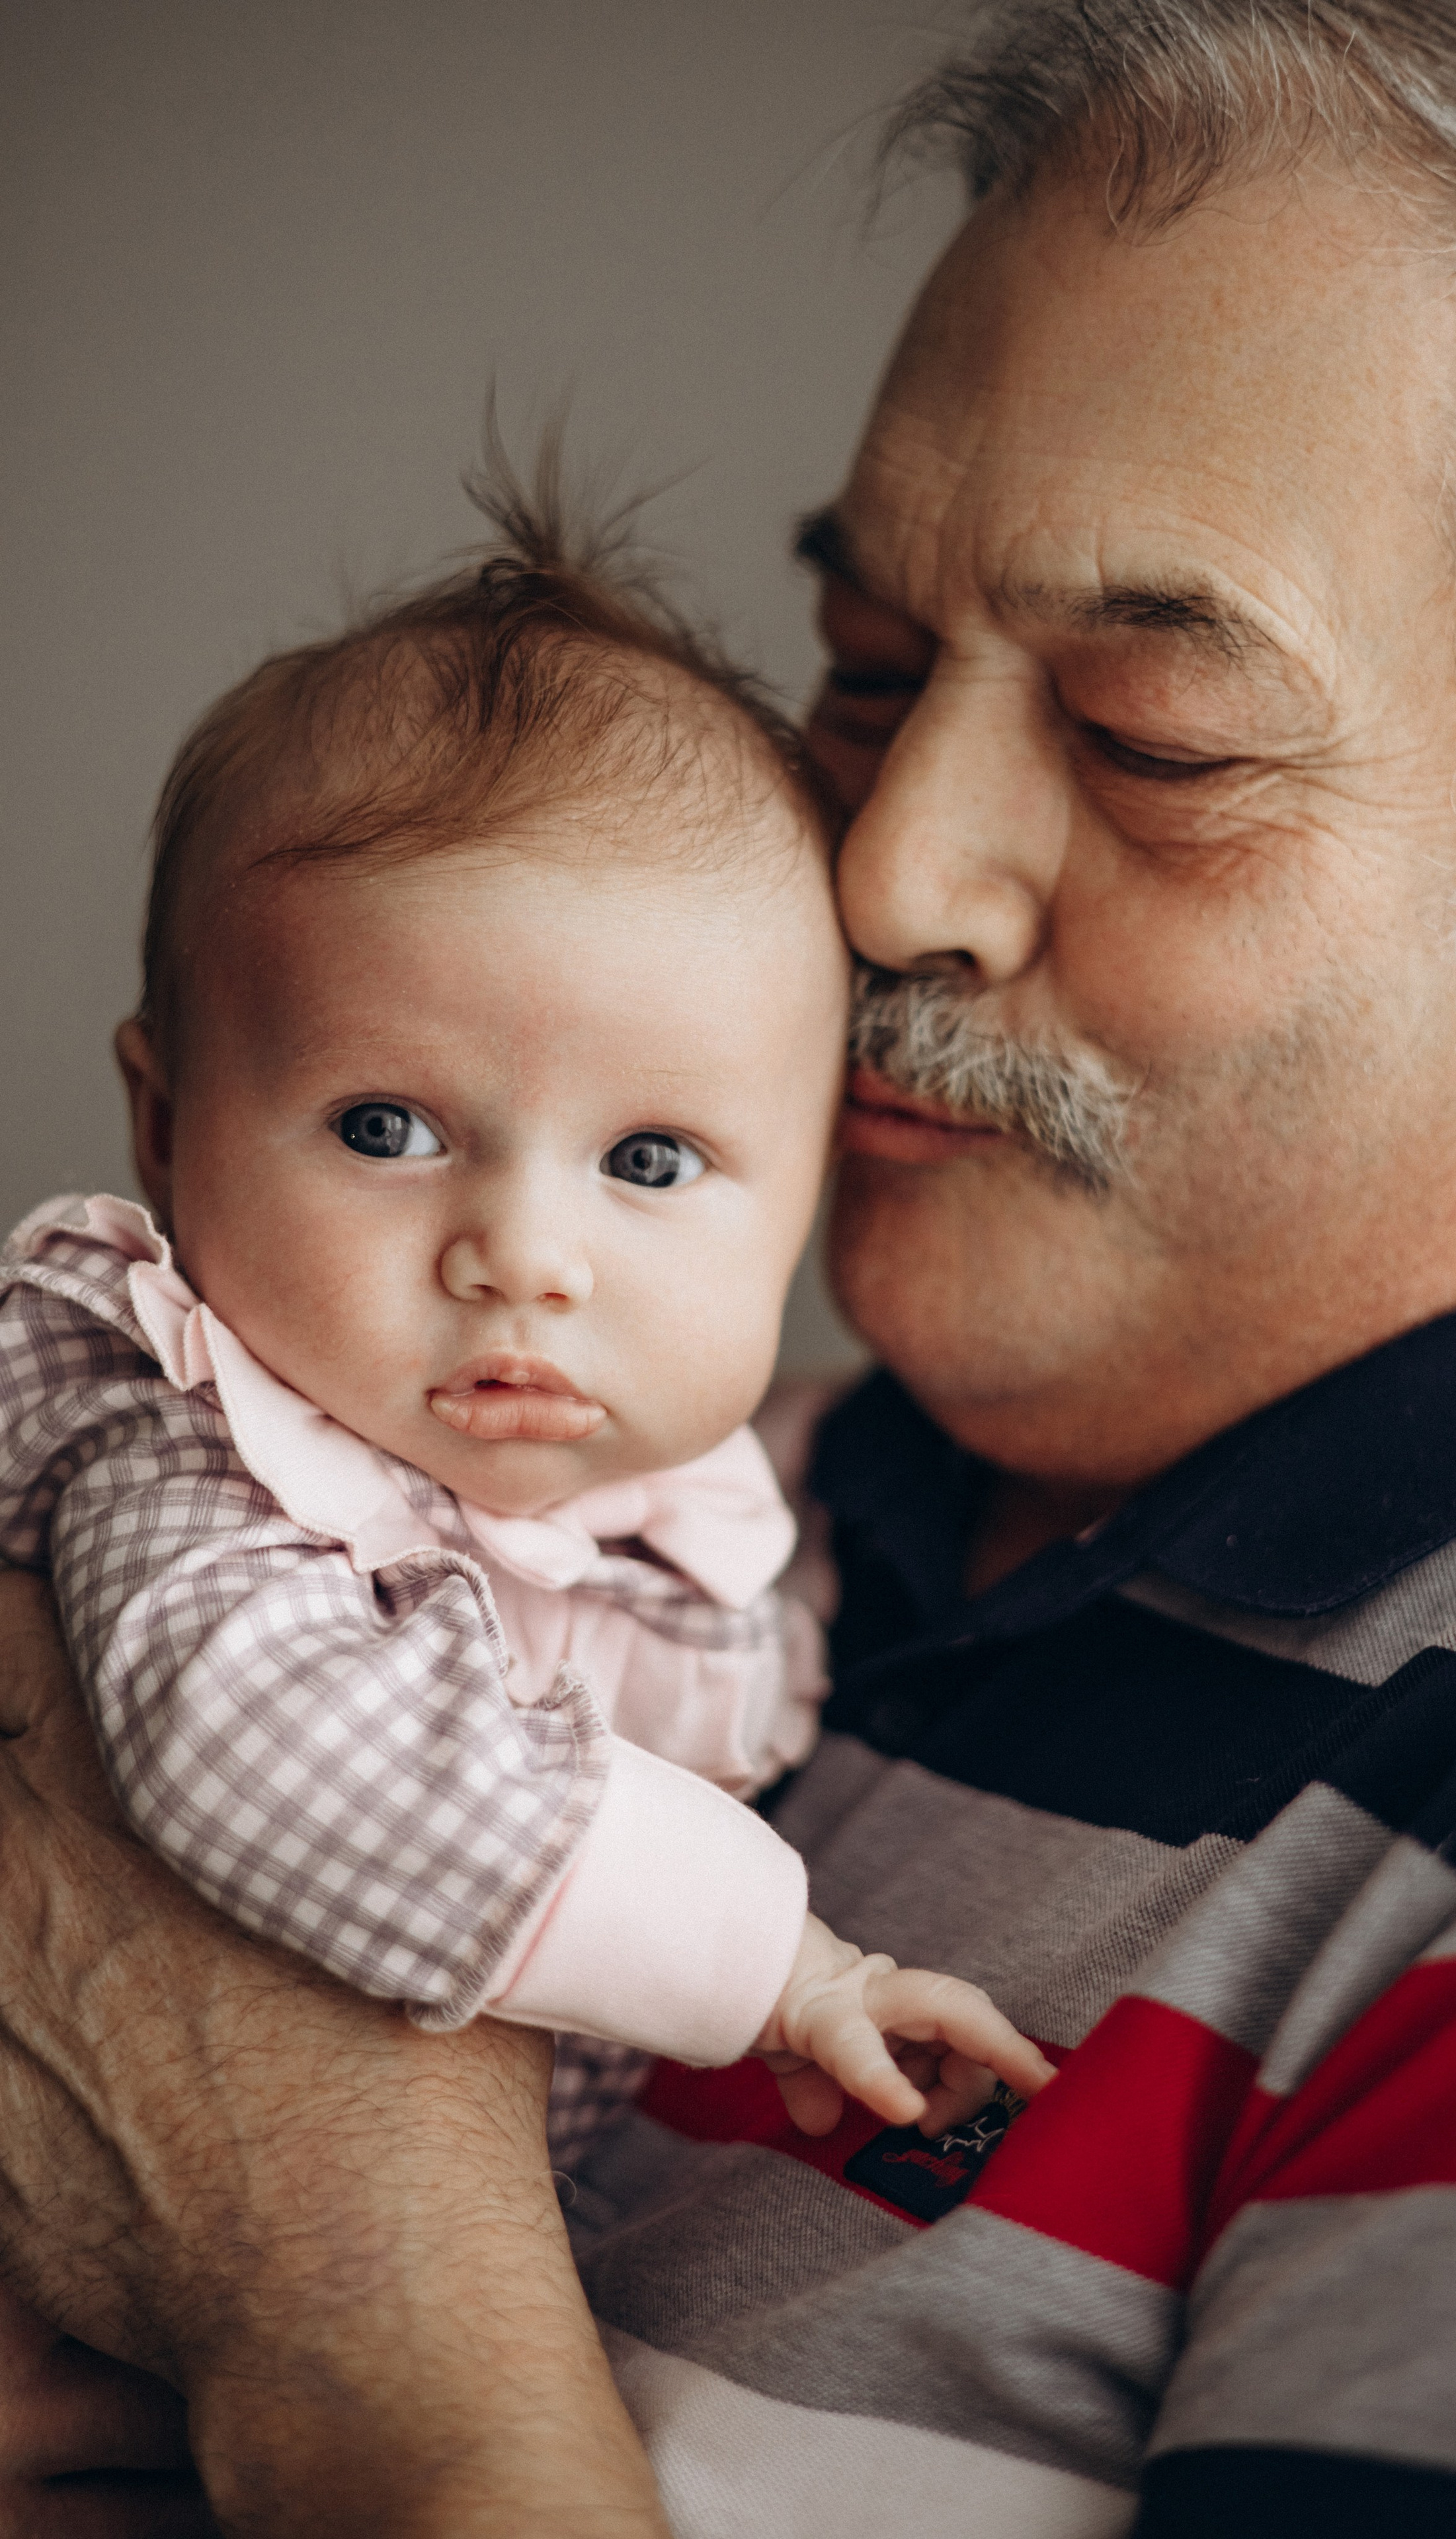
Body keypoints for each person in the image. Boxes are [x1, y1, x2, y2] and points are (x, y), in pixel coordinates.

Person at [7, 0, 1456, 2529]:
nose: (887, 870)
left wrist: (348, 2300)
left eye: (1152, 742)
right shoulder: (663, 1507)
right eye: (871, 673)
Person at [0, 488, 1051, 2193]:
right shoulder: (200, 1452)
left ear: (813, 1184)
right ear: (166, 1121)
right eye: (387, 1128)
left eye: (649, 1161)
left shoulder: (722, 1508)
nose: (524, 1257)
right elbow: (275, 1748)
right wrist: (785, 1971)